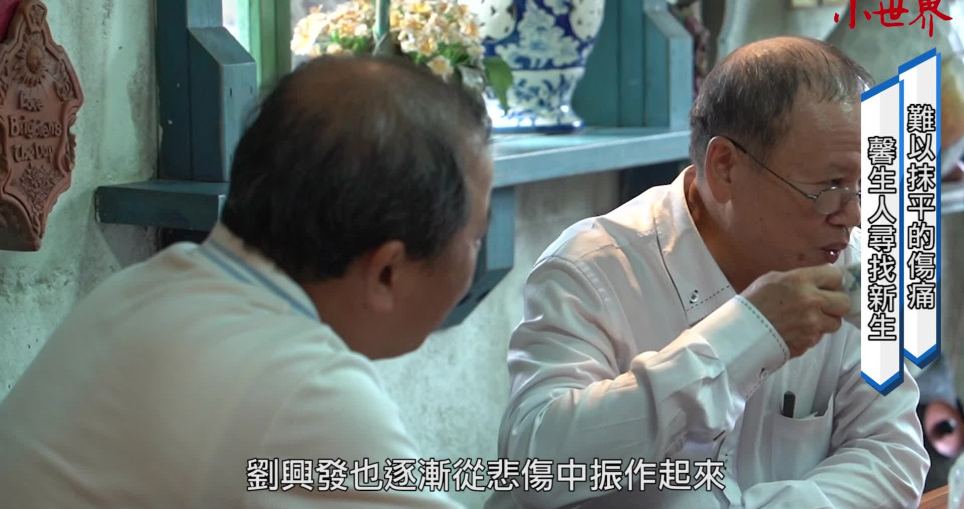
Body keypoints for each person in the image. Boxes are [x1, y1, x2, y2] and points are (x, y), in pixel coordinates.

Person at [0, 55, 492, 508]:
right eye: (475, 236)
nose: (476, 253)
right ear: (386, 272)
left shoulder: (140, 289)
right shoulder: (302, 389)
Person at [486, 36, 929, 508]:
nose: (855, 216)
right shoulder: (593, 269)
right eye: (831, 185)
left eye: (866, 185)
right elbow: (537, 466)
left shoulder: (857, 266)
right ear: (725, 168)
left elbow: (893, 456)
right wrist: (746, 335)